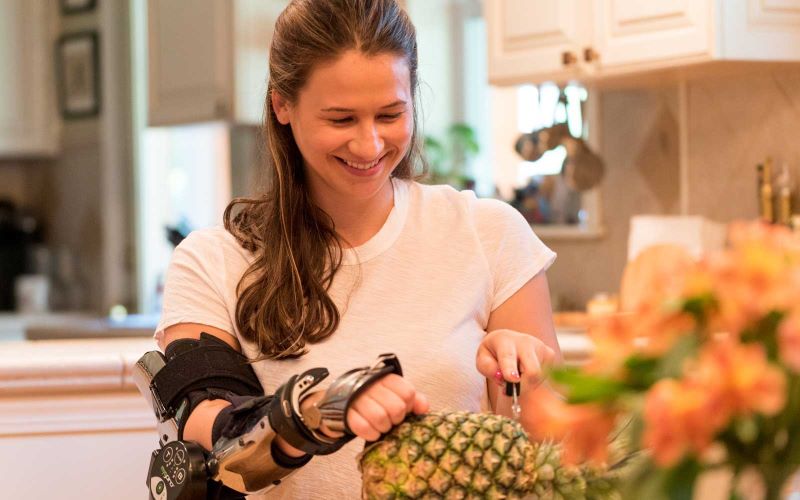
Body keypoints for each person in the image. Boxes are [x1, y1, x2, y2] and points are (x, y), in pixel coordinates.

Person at [154, 0, 561, 498]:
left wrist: (522, 382)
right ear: (283, 105)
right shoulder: (215, 260)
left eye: (391, 114)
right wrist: (316, 411)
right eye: (342, 119)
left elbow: (551, 458)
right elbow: (212, 440)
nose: (369, 146)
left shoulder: (489, 233)